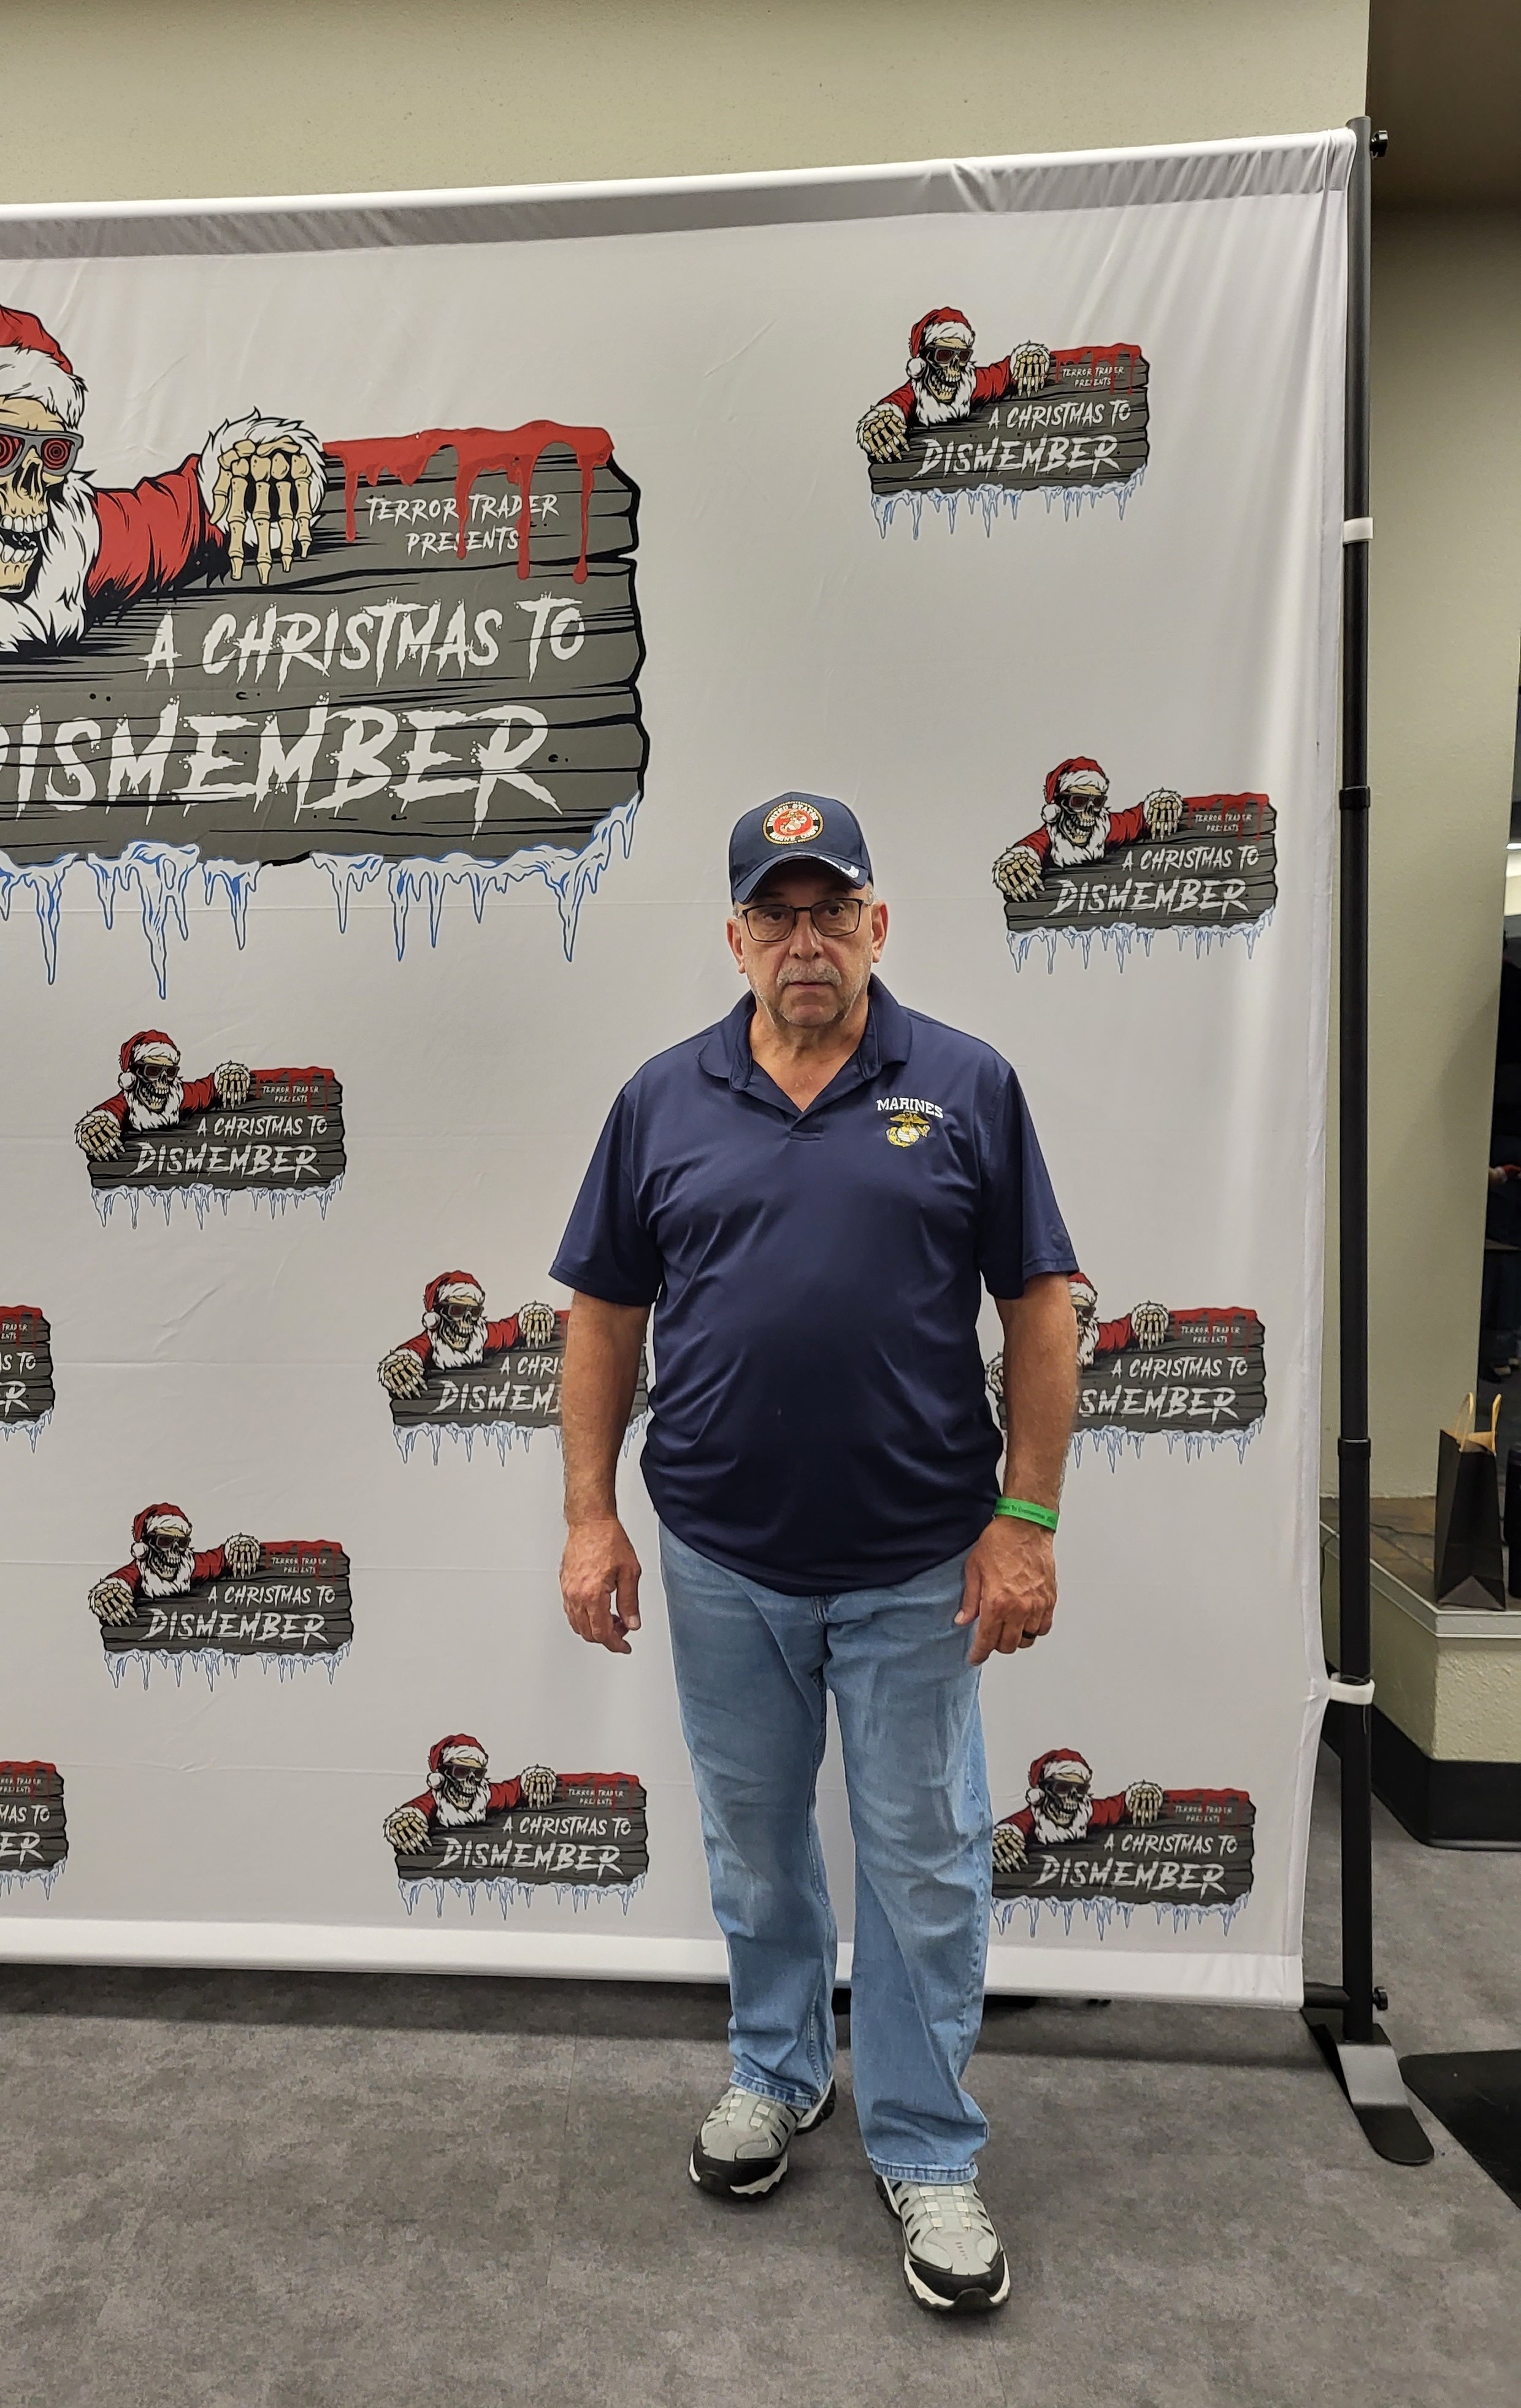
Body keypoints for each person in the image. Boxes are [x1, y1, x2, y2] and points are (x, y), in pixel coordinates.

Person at [550, 791, 1079, 2317]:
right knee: (756, 1843)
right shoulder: (663, 1100)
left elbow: (1043, 1311)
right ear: (735, 939)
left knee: (924, 1864)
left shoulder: (966, 1087)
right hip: (722, 1558)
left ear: (875, 925)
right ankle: (779, 2073)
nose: (805, 943)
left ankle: (927, 2146)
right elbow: (604, 1318)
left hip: (919, 1565)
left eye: (830, 912)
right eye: (775, 917)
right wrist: (590, 1514)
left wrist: (1028, 1520)